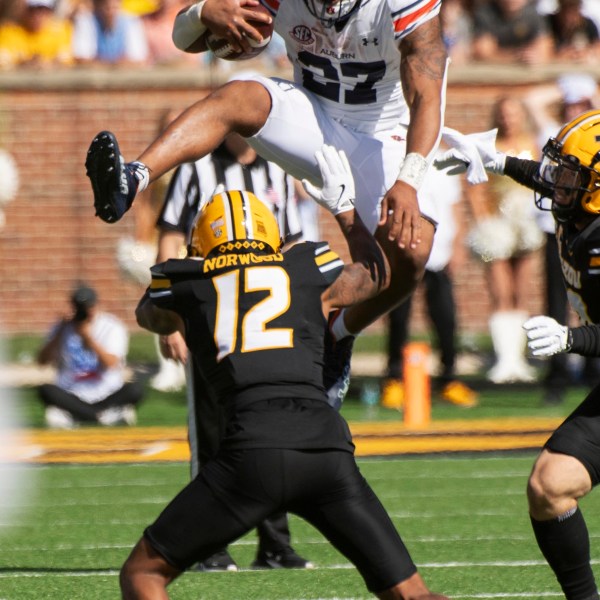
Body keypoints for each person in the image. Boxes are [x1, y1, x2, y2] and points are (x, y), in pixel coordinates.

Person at [84, 0, 449, 409]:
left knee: (410, 253)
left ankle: (338, 333)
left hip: (384, 135)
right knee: (239, 95)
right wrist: (204, 13)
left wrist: (409, 177)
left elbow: (427, 94)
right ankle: (132, 178)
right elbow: (183, 40)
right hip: (314, 118)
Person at [122, 144, 449, 600]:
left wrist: (191, 298)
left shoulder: (185, 282)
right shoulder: (307, 264)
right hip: (326, 449)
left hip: (250, 451)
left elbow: (149, 315)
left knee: (143, 574)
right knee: (412, 593)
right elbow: (375, 276)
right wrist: (347, 213)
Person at [435, 109, 600, 600]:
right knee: (551, 486)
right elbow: (543, 177)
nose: (557, 183)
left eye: (571, 175)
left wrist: (573, 340)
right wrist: (495, 158)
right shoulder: (584, 210)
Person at [154, 131, 313, 571]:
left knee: (270, 426)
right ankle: (208, 545)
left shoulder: (276, 168)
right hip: (211, 315)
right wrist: (172, 318)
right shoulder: (194, 167)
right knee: (210, 431)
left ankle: (275, 544)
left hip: (262, 318)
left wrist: (295, 310)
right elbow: (171, 237)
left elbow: (291, 243)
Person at [381, 148, 478, 409]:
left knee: (445, 317)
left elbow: (454, 206)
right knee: (399, 317)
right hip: (405, 249)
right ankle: (394, 377)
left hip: (438, 253)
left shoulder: (443, 159)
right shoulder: (396, 154)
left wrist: (458, 243)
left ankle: (449, 377)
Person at [525, 73, 600, 404]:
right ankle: (560, 375)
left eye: (581, 103)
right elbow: (550, 180)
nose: (575, 107)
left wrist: (570, 338)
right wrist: (498, 163)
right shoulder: (566, 137)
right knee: (558, 303)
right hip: (558, 231)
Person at [465, 95, 543, 384]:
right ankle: (503, 360)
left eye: (513, 113)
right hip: (497, 228)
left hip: (525, 227)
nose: (508, 119)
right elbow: (474, 189)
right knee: (500, 292)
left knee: (520, 293)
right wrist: (484, 223)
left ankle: (518, 362)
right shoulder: (488, 147)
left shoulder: (533, 143)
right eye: (503, 114)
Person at [37, 283, 144, 429]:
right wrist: (59, 333)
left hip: (107, 393)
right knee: (46, 390)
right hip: (73, 393)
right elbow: (42, 361)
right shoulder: (62, 327)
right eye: (79, 308)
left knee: (135, 389)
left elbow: (111, 363)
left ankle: (79, 416)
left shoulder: (112, 326)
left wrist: (87, 338)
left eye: (87, 307)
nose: (84, 312)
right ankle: (101, 417)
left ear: (95, 305)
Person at [471, 0, 553, 65]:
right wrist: (516, 57)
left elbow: (545, 47)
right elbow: (482, 52)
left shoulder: (533, 14)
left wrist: (534, 56)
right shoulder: (485, 14)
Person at [0, 0, 73, 70]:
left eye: (43, 10)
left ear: (50, 12)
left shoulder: (61, 31)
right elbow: (3, 60)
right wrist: (23, 64)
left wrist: (46, 63)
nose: (38, 16)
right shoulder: (9, 31)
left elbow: (65, 61)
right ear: (24, 11)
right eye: (33, 10)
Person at [72, 0, 148, 66]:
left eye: (115, 7)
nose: (111, 12)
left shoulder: (131, 21)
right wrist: (114, 64)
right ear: (98, 7)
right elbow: (82, 59)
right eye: (107, 8)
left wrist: (108, 64)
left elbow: (139, 60)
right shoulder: (86, 21)